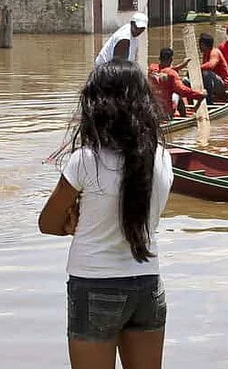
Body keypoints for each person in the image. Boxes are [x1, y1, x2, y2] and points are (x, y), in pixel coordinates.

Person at [39, 59, 173, 369]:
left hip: (95, 286)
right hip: (147, 286)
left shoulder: (85, 160)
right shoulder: (162, 158)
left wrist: (72, 225)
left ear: (97, 105)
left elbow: (47, 223)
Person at [148, 48, 204, 119]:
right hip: (166, 113)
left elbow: (163, 70)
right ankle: (184, 116)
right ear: (171, 60)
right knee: (178, 94)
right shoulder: (172, 74)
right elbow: (183, 91)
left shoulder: (151, 68)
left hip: (152, 111)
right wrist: (200, 95)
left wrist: (181, 66)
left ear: (159, 58)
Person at [197, 33, 228, 103]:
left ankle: (209, 100)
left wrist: (196, 68)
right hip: (213, 82)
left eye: (201, 45)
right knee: (186, 80)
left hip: (223, 84)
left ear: (205, 45)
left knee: (206, 73)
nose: (199, 46)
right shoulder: (205, 54)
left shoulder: (214, 52)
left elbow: (211, 65)